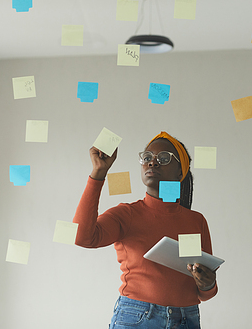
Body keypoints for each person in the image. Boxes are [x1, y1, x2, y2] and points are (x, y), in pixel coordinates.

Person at [73, 131, 218, 329]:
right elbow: (82, 237)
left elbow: (205, 292)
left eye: (164, 158)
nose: (152, 162)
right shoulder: (126, 214)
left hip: (187, 319)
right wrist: (98, 173)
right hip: (137, 318)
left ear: (180, 172)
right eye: (147, 158)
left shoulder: (196, 221)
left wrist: (207, 284)